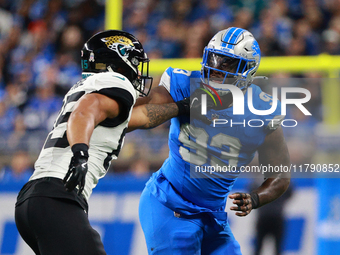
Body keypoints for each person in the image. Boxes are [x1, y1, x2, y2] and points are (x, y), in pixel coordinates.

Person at [14, 30, 187, 255]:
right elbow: (88, 110)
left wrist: (184, 107)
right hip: (57, 195)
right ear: (122, 60)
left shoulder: (91, 88)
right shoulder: (114, 82)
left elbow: (143, 117)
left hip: (34, 198)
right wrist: (80, 153)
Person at [128, 27, 291, 254]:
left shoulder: (263, 111)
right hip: (170, 204)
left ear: (248, 70)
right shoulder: (185, 84)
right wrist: (182, 106)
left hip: (212, 216)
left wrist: (256, 198)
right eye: (214, 59)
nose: (216, 68)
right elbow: (145, 110)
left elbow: (280, 175)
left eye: (227, 63)